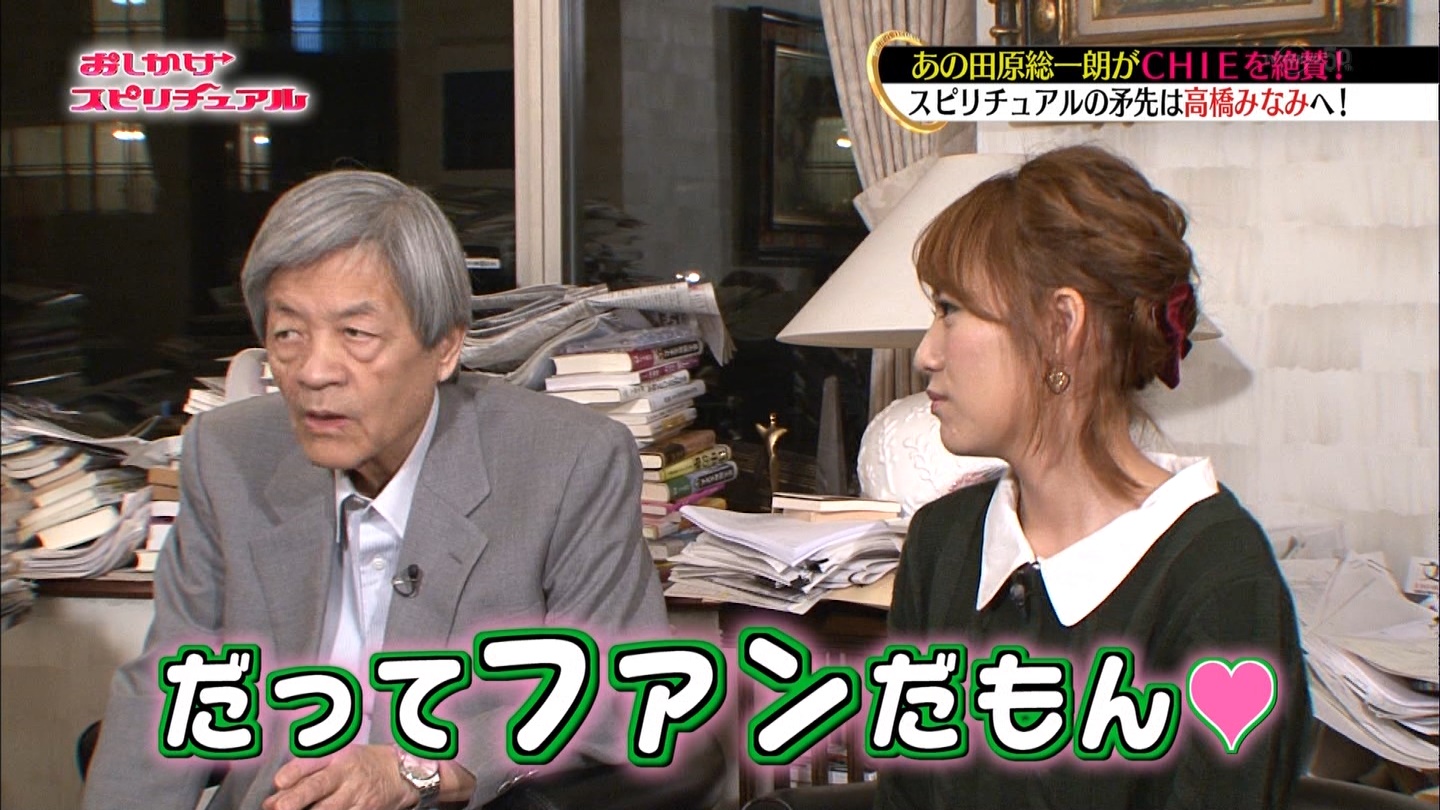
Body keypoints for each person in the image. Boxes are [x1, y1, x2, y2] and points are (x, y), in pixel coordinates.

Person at [82, 170, 668, 810]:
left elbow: (617, 695)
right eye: (288, 333)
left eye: (355, 335)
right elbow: (166, 692)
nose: (314, 372)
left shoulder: (567, 461)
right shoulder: (227, 453)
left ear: (444, 347)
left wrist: (415, 768)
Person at [876, 145, 1309, 809]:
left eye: (952, 310)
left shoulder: (1218, 576)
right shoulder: (942, 542)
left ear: (1061, 326)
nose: (926, 353)